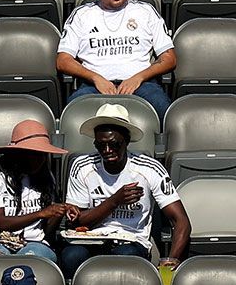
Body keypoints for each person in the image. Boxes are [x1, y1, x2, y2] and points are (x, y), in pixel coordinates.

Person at [60, 103, 190, 275]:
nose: (107, 150)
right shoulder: (82, 166)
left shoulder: (149, 168)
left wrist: (172, 260)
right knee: (71, 256)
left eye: (114, 144)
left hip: (132, 240)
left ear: (127, 141)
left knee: (125, 256)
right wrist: (115, 201)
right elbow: (77, 222)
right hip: (91, 240)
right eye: (101, 145)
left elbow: (181, 221)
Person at [58, 0, 176, 119]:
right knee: (73, 114)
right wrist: (96, 78)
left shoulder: (146, 11)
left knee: (166, 112)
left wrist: (138, 78)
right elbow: (63, 60)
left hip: (142, 84)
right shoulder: (81, 15)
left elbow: (169, 58)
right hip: (93, 86)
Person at [0, 122, 70, 267]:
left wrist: (59, 212)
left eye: (42, 154)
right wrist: (41, 213)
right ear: (16, 153)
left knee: (30, 259)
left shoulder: (46, 176)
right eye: (32, 154)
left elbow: (47, 231)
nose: (39, 160)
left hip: (34, 243)